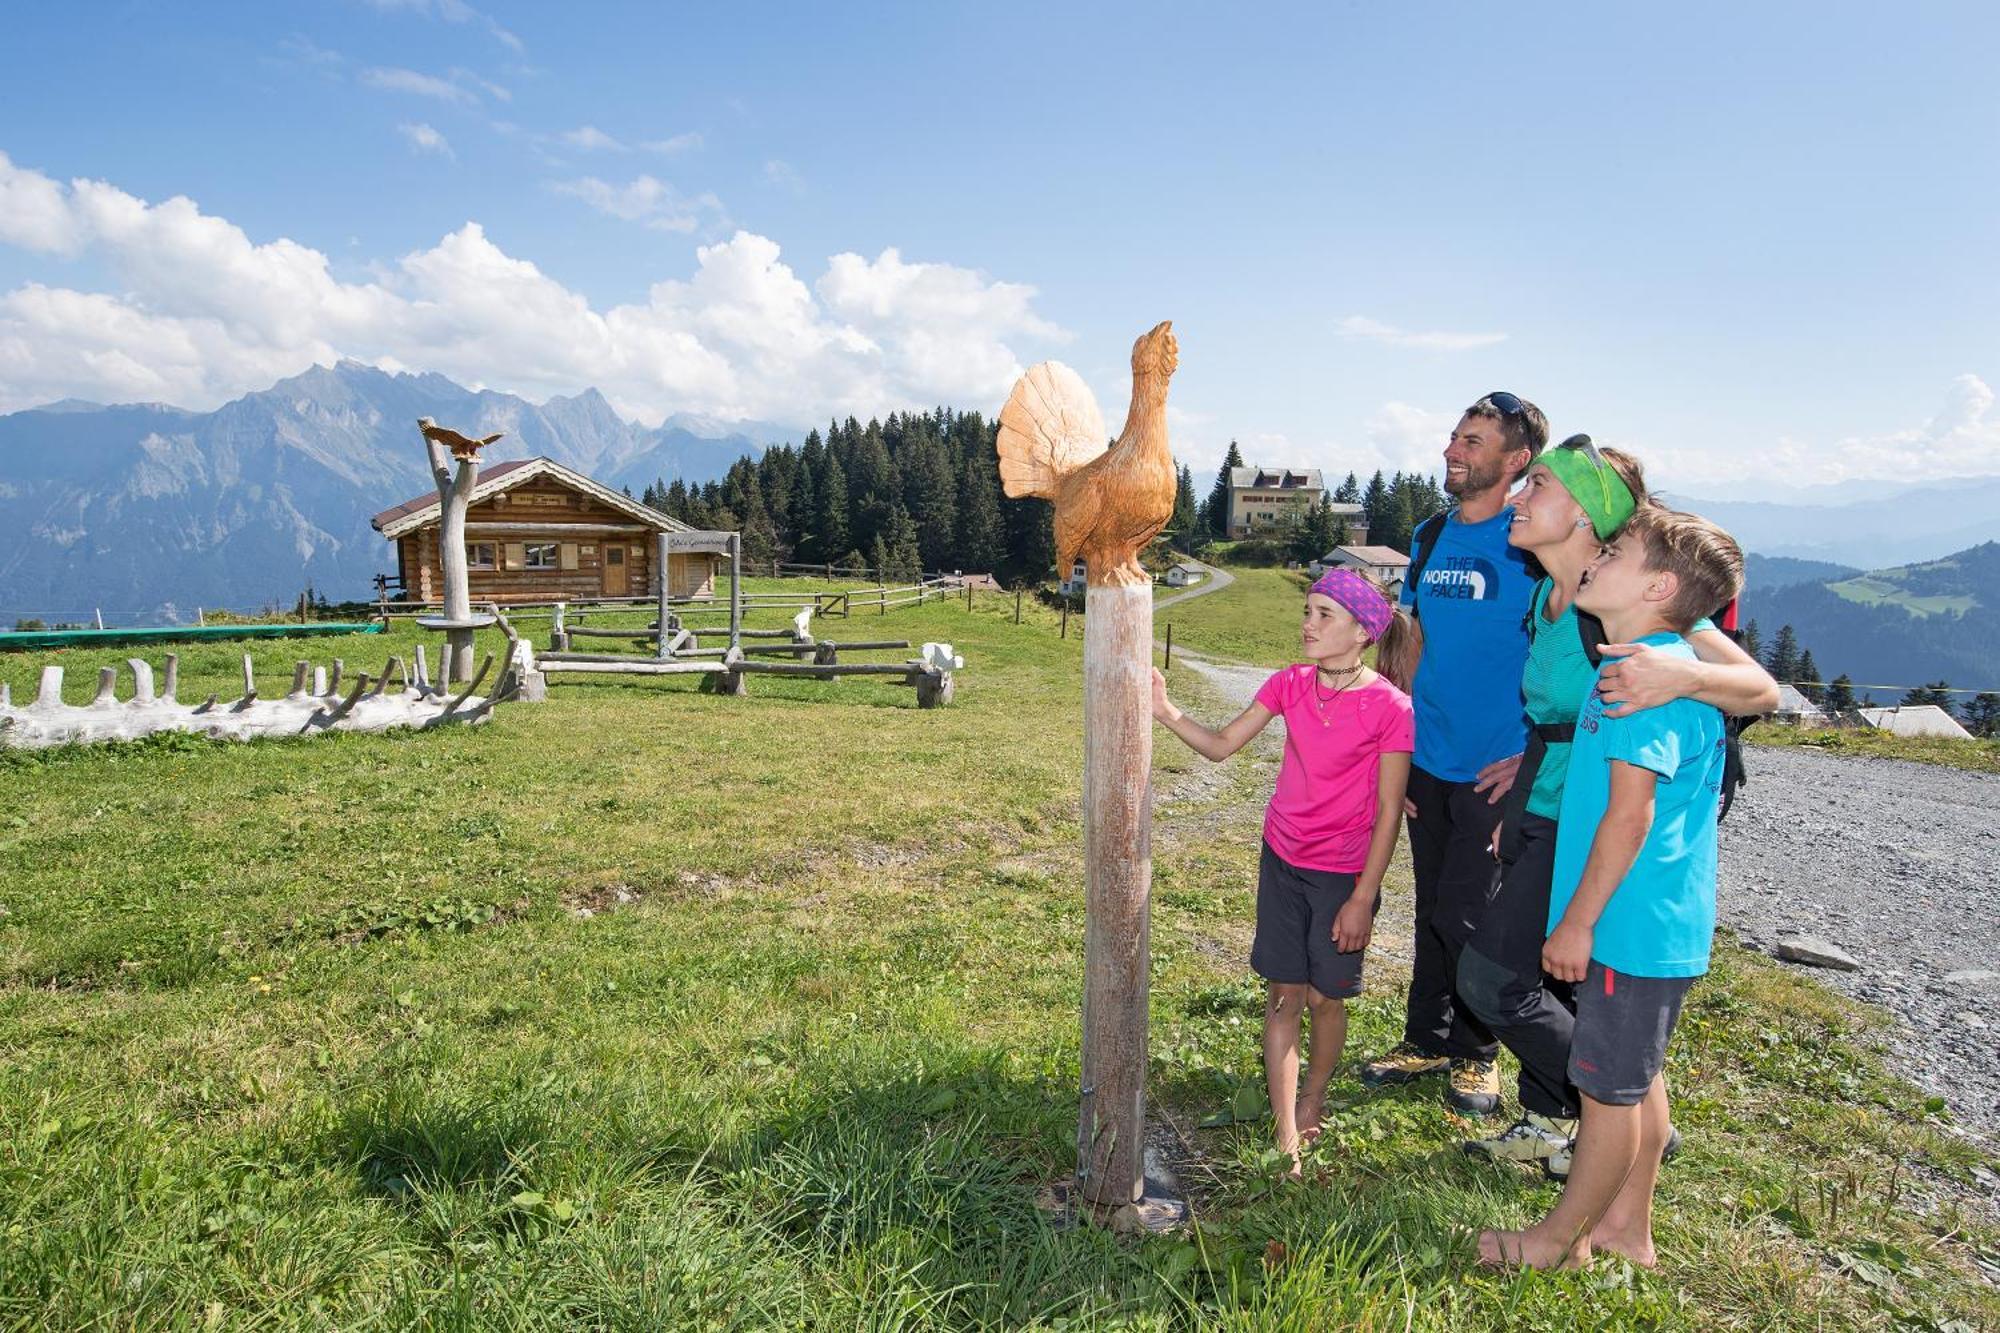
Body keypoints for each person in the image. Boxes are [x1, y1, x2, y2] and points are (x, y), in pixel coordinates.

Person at [1459, 438, 1778, 1169]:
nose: (1517, 496)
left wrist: (1681, 674)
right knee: (1549, 974)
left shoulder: (1627, 603)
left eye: (1535, 483)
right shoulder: (1550, 593)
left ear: (1583, 516)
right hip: (1548, 799)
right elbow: (1564, 707)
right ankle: (1560, 1117)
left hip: (1590, 815)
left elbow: (1760, 690)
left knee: (1496, 977)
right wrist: (1530, 753)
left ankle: (1621, 1114)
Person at [1477, 506, 1745, 1269]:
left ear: (1658, 585)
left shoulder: (1637, 680)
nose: (1602, 555)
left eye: (1619, 550)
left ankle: (1558, 1242)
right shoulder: (1641, 663)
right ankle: (1628, 1227)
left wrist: (1577, 922)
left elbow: (1630, 816)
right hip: (1650, 925)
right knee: (1637, 1082)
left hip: (1628, 923)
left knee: (1607, 1096)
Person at [1150, 569, 1414, 1167]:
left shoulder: (1390, 707)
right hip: (1283, 860)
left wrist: (1361, 899)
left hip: (1342, 877)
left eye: (1324, 614)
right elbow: (1221, 745)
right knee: (1283, 997)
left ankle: (1313, 1097)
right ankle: (1286, 1138)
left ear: (1362, 631)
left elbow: (1390, 810)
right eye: (1308, 611)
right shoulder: (1290, 685)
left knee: (1326, 1000)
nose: (1308, 624)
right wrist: (1166, 712)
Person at [1358, 392, 1543, 1116]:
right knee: (1432, 906)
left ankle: (1477, 1053)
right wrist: (1396, 744)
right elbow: (1411, 642)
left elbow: (1568, 651)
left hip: (1494, 766)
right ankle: (1426, 1036)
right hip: (1427, 757)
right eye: (1454, 437)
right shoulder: (1430, 535)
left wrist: (1531, 754)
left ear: (1515, 460)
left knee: (1471, 914)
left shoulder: (1531, 544)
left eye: (1472, 440)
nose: (1451, 450)